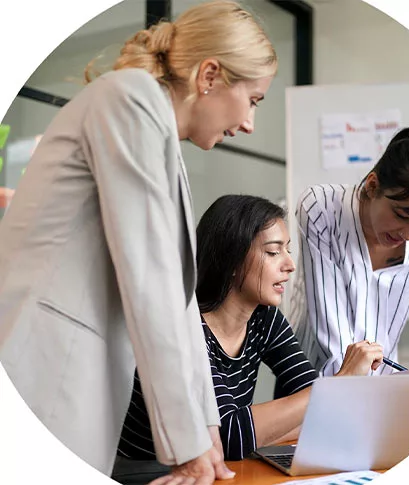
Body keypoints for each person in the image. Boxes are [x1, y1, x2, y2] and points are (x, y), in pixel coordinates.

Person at [0, 2, 276, 484]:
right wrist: (186, 445)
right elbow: (150, 282)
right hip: (43, 366)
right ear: (209, 75)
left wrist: (205, 426)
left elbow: (180, 302)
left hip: (77, 378)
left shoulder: (165, 142)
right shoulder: (129, 99)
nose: (250, 123)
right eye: (253, 99)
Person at [117, 194, 384, 466]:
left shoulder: (265, 319)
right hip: (148, 471)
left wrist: (258, 431)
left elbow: (317, 412)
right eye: (272, 252)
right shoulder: (185, 326)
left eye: (287, 250)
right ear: (231, 260)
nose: (289, 265)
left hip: (213, 469)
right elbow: (228, 437)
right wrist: (337, 384)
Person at [288, 127, 409, 377]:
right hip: (312, 381)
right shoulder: (322, 208)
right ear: (372, 186)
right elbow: (335, 344)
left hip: (379, 387)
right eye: (401, 215)